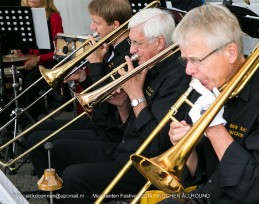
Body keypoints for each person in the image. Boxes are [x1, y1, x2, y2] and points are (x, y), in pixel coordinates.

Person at [45, 7, 190, 203]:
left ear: (160, 43)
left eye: (137, 43)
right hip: (124, 147)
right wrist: (123, 106)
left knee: (74, 176)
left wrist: (136, 96)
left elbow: (156, 144)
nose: (131, 51)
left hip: (145, 165)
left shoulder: (176, 77)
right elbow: (127, 126)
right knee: (54, 150)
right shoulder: (148, 64)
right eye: (131, 42)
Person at [159, 4, 259, 204]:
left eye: (195, 60)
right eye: (185, 61)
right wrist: (186, 150)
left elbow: (253, 188)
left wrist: (214, 128)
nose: (188, 70)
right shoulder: (209, 87)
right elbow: (205, 175)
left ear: (231, 53)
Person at [25, 0, 132, 177]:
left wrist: (96, 64)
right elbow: (101, 93)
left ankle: (59, 193)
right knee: (34, 131)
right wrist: (83, 77)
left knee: (37, 141)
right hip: (97, 120)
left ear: (115, 25)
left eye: (96, 23)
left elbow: (106, 101)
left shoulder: (127, 55)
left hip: (108, 130)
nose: (91, 27)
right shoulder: (109, 46)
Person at [18, 0, 64, 128]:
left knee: (31, 79)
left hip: (48, 63)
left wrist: (38, 59)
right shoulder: (21, 16)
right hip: (26, 64)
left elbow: (58, 50)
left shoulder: (53, 17)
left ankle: (29, 125)